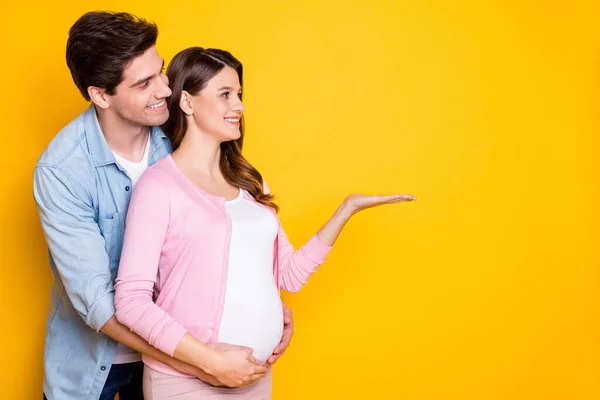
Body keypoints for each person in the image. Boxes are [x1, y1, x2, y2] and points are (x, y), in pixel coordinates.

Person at [113, 46, 416, 399]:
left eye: (239, 94)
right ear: (188, 103)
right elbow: (131, 302)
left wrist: (345, 210)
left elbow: (288, 274)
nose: (239, 106)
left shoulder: (248, 181)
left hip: (254, 378)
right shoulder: (159, 186)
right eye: (225, 94)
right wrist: (210, 360)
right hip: (188, 384)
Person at [34, 12, 293, 400]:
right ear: (100, 95)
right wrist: (202, 361)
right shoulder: (62, 171)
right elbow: (99, 303)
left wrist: (264, 305)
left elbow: (222, 238)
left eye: (160, 73)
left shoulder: (180, 140)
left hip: (183, 361)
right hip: (96, 368)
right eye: (144, 84)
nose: (165, 91)